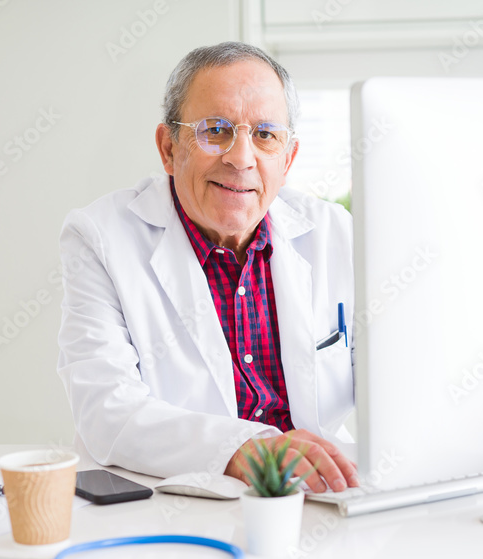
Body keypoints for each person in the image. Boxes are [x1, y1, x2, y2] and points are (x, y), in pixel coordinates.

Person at [56, 42, 358, 493]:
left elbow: (394, 386)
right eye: (215, 130)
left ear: (288, 159)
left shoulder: (335, 232)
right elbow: (107, 409)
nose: (241, 158)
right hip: (174, 502)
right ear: (168, 148)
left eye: (265, 135)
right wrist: (245, 449)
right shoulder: (99, 237)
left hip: (316, 495)